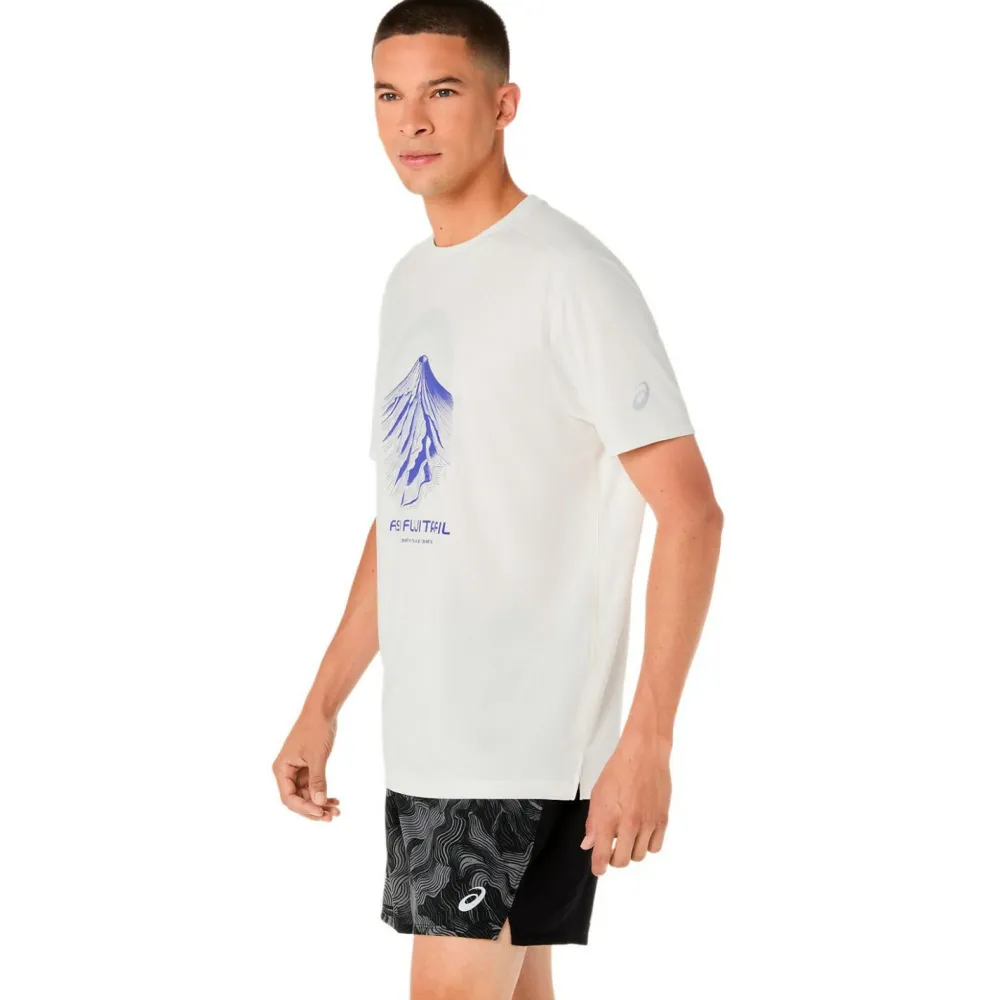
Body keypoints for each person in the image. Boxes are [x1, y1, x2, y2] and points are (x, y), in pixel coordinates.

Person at [273, 1, 724, 996]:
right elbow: (407, 512)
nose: (411, 121)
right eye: (388, 95)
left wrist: (648, 737)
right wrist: (321, 702)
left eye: (442, 91)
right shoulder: (410, 285)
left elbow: (692, 512)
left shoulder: (569, 276)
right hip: (430, 742)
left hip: (519, 746)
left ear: (503, 104)